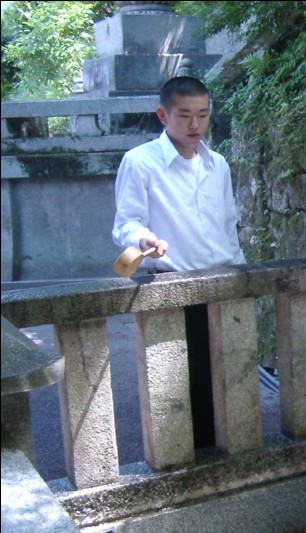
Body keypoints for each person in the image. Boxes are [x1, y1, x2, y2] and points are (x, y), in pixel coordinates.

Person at [112, 75, 246, 448]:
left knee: (230, 381)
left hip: (223, 283)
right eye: (184, 115)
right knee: (182, 391)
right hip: (173, 286)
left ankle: (229, 463)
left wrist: (243, 274)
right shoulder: (140, 163)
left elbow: (228, 224)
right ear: (162, 114)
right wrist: (144, 238)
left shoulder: (216, 163)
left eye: (203, 115)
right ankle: (189, 468)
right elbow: (125, 223)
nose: (194, 125)